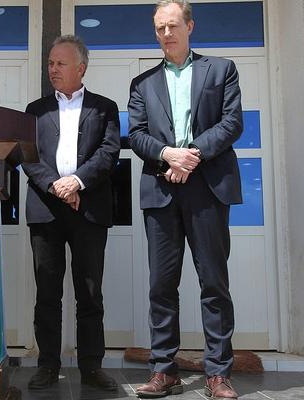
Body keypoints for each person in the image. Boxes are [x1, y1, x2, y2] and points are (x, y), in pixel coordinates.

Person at [127, 1, 242, 399]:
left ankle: (218, 374)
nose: (166, 34)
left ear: (189, 26)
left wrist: (190, 154)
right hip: (161, 190)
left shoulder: (221, 70)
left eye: (173, 25)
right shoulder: (142, 83)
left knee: (214, 283)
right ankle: (164, 370)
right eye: (160, 28)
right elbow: (137, 134)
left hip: (207, 187)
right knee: (161, 285)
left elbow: (232, 122)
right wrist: (167, 154)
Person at [22, 35, 120, 391]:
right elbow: (27, 155)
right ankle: (48, 366)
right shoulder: (35, 110)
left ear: (81, 68)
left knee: (90, 293)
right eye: (50, 63)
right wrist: (56, 186)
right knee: (47, 294)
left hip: (88, 209)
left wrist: (76, 182)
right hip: (46, 209)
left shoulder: (104, 107)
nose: (53, 69)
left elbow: (109, 153)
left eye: (60, 63)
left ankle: (91, 367)